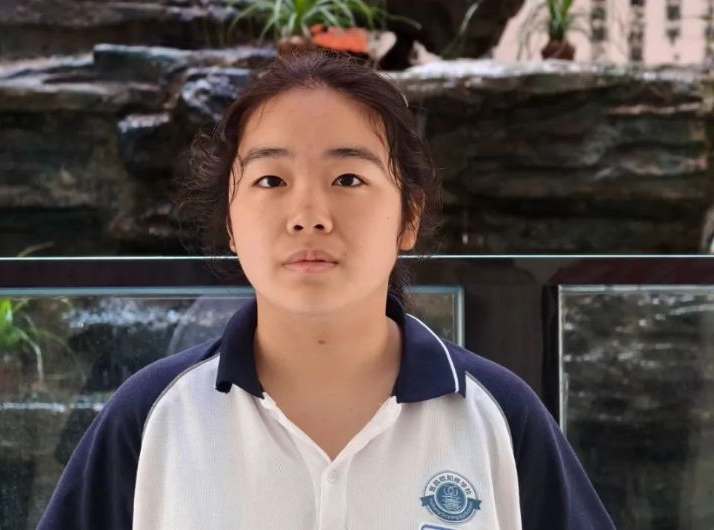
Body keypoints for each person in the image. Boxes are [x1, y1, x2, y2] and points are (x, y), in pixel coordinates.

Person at [37, 50, 615, 530]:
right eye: (271, 179)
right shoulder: (152, 418)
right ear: (231, 223)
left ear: (408, 217)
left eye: (347, 178)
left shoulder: (498, 417)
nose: (308, 215)